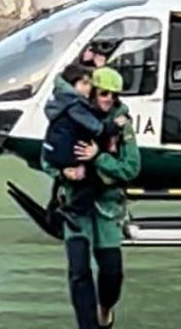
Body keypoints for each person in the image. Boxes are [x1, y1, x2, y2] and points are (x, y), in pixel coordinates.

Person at [43, 67, 139, 329]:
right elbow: (47, 157)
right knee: (79, 272)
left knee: (112, 274)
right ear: (93, 92)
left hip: (108, 209)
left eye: (113, 95)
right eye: (104, 93)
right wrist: (65, 170)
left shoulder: (122, 124)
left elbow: (131, 168)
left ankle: (105, 309)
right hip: (75, 209)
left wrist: (99, 157)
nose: (108, 98)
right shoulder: (71, 118)